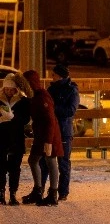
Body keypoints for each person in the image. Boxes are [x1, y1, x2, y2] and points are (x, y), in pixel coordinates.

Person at [21, 70, 63, 206]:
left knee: (51, 161)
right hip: (40, 135)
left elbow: (50, 120)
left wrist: (49, 142)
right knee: (33, 160)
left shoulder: (42, 97)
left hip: (48, 135)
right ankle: (38, 191)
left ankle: (53, 193)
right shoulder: (34, 96)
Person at [39, 64, 79, 202]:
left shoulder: (72, 90)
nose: (52, 77)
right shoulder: (51, 89)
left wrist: (52, 109)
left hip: (63, 131)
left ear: (60, 76)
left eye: (54, 75)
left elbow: (70, 111)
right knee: (45, 160)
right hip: (51, 130)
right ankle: (40, 189)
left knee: (63, 162)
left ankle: (62, 192)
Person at [0, 73, 31, 206]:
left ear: (16, 89)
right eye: (6, 89)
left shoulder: (23, 102)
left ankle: (13, 193)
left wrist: (13, 117)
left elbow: (25, 120)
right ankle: (0, 193)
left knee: (14, 168)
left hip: (16, 139)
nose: (8, 91)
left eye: (11, 89)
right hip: (0, 138)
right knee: (0, 167)